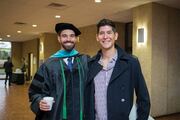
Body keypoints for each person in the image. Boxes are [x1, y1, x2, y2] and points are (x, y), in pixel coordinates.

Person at [84, 19, 150, 120]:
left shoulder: (130, 62)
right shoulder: (91, 64)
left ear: (116, 36)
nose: (105, 37)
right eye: (101, 33)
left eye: (109, 32)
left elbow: (143, 98)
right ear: (97, 37)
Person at [28, 23, 89, 120]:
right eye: (64, 36)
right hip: (56, 115)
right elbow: (35, 91)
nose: (68, 39)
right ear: (59, 39)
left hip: (81, 115)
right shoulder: (48, 65)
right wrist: (39, 101)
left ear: (76, 39)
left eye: (72, 36)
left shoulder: (85, 61)